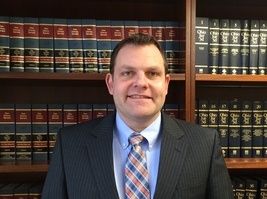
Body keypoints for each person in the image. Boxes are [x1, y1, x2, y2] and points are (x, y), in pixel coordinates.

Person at [42, 33, 234, 199]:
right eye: (127, 73)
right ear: (111, 83)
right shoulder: (70, 145)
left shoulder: (204, 145)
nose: (141, 83)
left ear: (166, 84)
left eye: (152, 73)